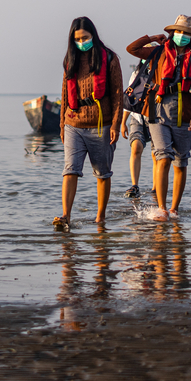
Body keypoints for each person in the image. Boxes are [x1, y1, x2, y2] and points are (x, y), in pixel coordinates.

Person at [127, 15, 191, 221]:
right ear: (172, 33)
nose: (182, 35)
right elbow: (132, 49)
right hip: (156, 108)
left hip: (183, 112)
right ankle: (161, 208)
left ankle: (174, 208)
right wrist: (151, 37)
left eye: (186, 33)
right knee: (163, 156)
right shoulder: (158, 51)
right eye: (178, 31)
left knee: (181, 161)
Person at [54, 17, 123, 232]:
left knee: (102, 173)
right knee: (70, 170)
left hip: (101, 125)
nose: (81, 42)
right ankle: (66, 216)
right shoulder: (69, 61)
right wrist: (61, 125)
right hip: (73, 123)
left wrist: (115, 125)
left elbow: (118, 95)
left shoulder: (109, 59)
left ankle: (100, 218)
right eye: (77, 39)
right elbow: (65, 94)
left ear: (93, 35)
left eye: (85, 38)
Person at [121, 57, 154, 198]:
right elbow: (130, 99)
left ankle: (156, 187)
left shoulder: (161, 72)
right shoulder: (136, 75)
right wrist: (123, 123)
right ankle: (134, 185)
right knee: (136, 147)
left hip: (155, 118)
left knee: (156, 154)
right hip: (137, 117)